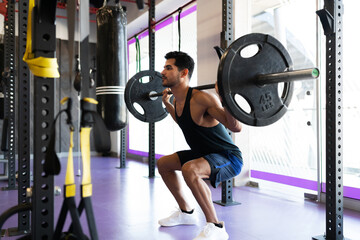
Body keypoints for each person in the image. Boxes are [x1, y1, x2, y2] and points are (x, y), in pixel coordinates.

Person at [157, 51, 243, 240]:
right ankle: (186, 213)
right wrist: (167, 104)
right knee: (163, 164)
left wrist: (226, 98)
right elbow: (183, 121)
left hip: (228, 158)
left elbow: (236, 127)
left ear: (183, 73)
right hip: (202, 154)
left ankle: (216, 226)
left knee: (191, 169)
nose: (162, 71)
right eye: (164, 67)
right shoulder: (178, 101)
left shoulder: (202, 99)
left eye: (168, 68)